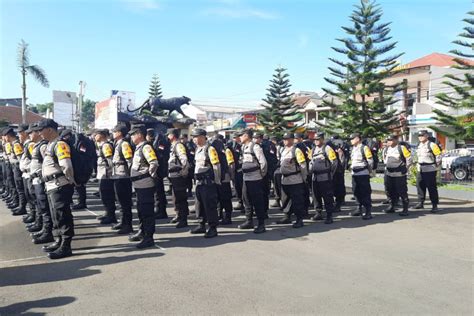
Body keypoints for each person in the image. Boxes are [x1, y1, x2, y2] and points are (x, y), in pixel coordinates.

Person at [38, 119, 75, 259]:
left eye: (41, 130)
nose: (40, 133)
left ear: (50, 130)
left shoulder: (60, 144)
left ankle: (66, 245)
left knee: (62, 215)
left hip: (59, 185)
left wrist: (69, 181)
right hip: (51, 185)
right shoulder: (50, 144)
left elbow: (67, 166)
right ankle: (59, 240)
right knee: (55, 216)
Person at [128, 124, 159, 248]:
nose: (131, 137)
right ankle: (142, 231)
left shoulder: (146, 147)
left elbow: (154, 163)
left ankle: (149, 237)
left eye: (133, 134)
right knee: (141, 210)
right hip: (139, 185)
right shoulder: (138, 147)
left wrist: (149, 175)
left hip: (145, 184)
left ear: (139, 135)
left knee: (147, 212)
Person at [190, 128, 220, 238]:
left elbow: (216, 166)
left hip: (208, 182)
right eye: (193, 137)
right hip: (199, 182)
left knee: (209, 205)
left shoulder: (210, 149)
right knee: (199, 204)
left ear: (202, 137)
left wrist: (216, 180)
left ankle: (213, 227)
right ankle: (201, 224)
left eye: (195, 137)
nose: (194, 139)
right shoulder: (198, 149)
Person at [239, 129, 268, 233]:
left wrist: (261, 175)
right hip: (246, 178)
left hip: (255, 179)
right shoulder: (243, 147)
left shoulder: (255, 147)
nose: (239, 138)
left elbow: (263, 163)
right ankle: (249, 221)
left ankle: (261, 224)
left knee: (258, 202)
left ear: (246, 136)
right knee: (246, 200)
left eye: (241, 135)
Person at [276, 132, 308, 228]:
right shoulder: (283, 150)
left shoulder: (296, 150)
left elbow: (303, 165)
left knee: (297, 200)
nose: (285, 141)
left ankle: (299, 219)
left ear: (292, 140)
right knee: (285, 199)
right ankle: (287, 216)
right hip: (285, 179)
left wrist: (303, 177)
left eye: (287, 139)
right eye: (284, 139)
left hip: (295, 179)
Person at [309, 132, 337, 224]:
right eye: (315, 139)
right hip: (315, 177)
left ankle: (329, 215)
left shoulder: (327, 148)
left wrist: (330, 173)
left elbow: (334, 163)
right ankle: (318, 213)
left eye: (318, 139)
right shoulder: (313, 149)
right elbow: (310, 162)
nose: (316, 141)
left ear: (322, 139)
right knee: (316, 196)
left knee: (327, 197)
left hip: (325, 177)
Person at [111, 123, 134, 234]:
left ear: (119, 133)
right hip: (117, 175)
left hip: (123, 176)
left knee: (125, 202)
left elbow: (130, 161)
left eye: (114, 131)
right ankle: (122, 221)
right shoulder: (117, 143)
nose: (113, 133)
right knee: (120, 201)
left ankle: (127, 225)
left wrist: (130, 176)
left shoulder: (124, 144)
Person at [383, 134, 412, 216]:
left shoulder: (401, 148)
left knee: (402, 191)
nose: (389, 142)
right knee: (390, 190)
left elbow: (409, 158)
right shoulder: (387, 149)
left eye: (391, 140)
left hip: (399, 173)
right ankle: (391, 206)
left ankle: (405, 208)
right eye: (388, 140)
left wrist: (405, 168)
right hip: (389, 173)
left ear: (396, 140)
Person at [167, 128, 190, 228]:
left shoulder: (179, 145)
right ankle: (179, 215)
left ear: (172, 135)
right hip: (173, 176)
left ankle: (183, 219)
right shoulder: (173, 146)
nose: (167, 137)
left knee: (181, 198)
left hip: (178, 175)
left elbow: (184, 159)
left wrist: (183, 172)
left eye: (168, 135)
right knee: (175, 197)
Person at [414, 130, 442, 212]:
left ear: (426, 136)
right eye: (419, 136)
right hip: (420, 168)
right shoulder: (418, 145)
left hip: (430, 168)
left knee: (431, 187)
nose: (420, 137)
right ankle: (420, 203)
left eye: (422, 135)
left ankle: (434, 205)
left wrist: (437, 165)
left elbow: (438, 155)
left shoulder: (432, 145)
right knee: (420, 186)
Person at [95, 129, 117, 224]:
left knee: (107, 196)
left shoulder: (106, 145)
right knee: (104, 195)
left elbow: (110, 161)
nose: (94, 136)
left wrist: (110, 173)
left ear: (102, 135)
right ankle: (107, 213)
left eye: (96, 134)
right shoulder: (101, 145)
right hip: (103, 174)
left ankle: (111, 215)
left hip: (107, 175)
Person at [349, 133, 373, 220]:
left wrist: (369, 172)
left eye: (352, 138)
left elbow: (370, 161)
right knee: (356, 192)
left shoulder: (364, 148)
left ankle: (368, 211)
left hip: (363, 173)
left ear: (358, 139)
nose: (351, 140)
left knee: (365, 193)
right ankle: (358, 208)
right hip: (354, 174)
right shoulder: (353, 149)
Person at [228, 132, 243, 211]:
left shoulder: (242, 146)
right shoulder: (231, 146)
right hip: (235, 169)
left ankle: (243, 203)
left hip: (241, 169)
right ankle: (240, 201)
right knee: (236, 187)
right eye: (233, 138)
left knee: (242, 187)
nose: (234, 139)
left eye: (236, 137)